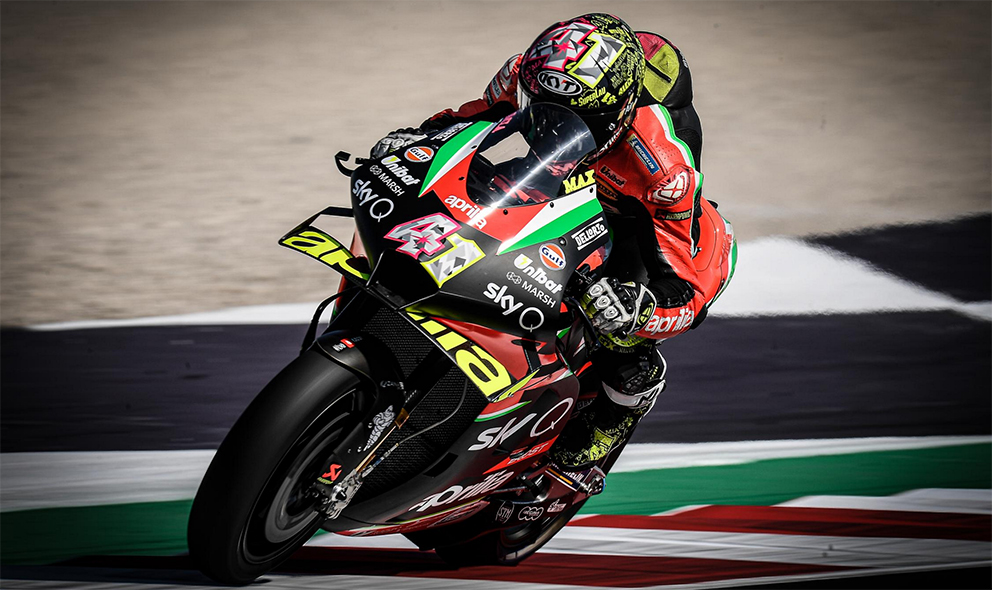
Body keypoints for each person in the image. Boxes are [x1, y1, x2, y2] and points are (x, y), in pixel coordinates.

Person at [371, 13, 734, 468]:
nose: (552, 125)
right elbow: (467, 123)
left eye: (575, 119)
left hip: (633, 219)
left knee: (616, 324)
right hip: (557, 174)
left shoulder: (663, 167)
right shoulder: (525, 73)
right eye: (540, 108)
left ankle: (621, 406)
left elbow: (686, 289)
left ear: (617, 116)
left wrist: (640, 307)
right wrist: (415, 142)